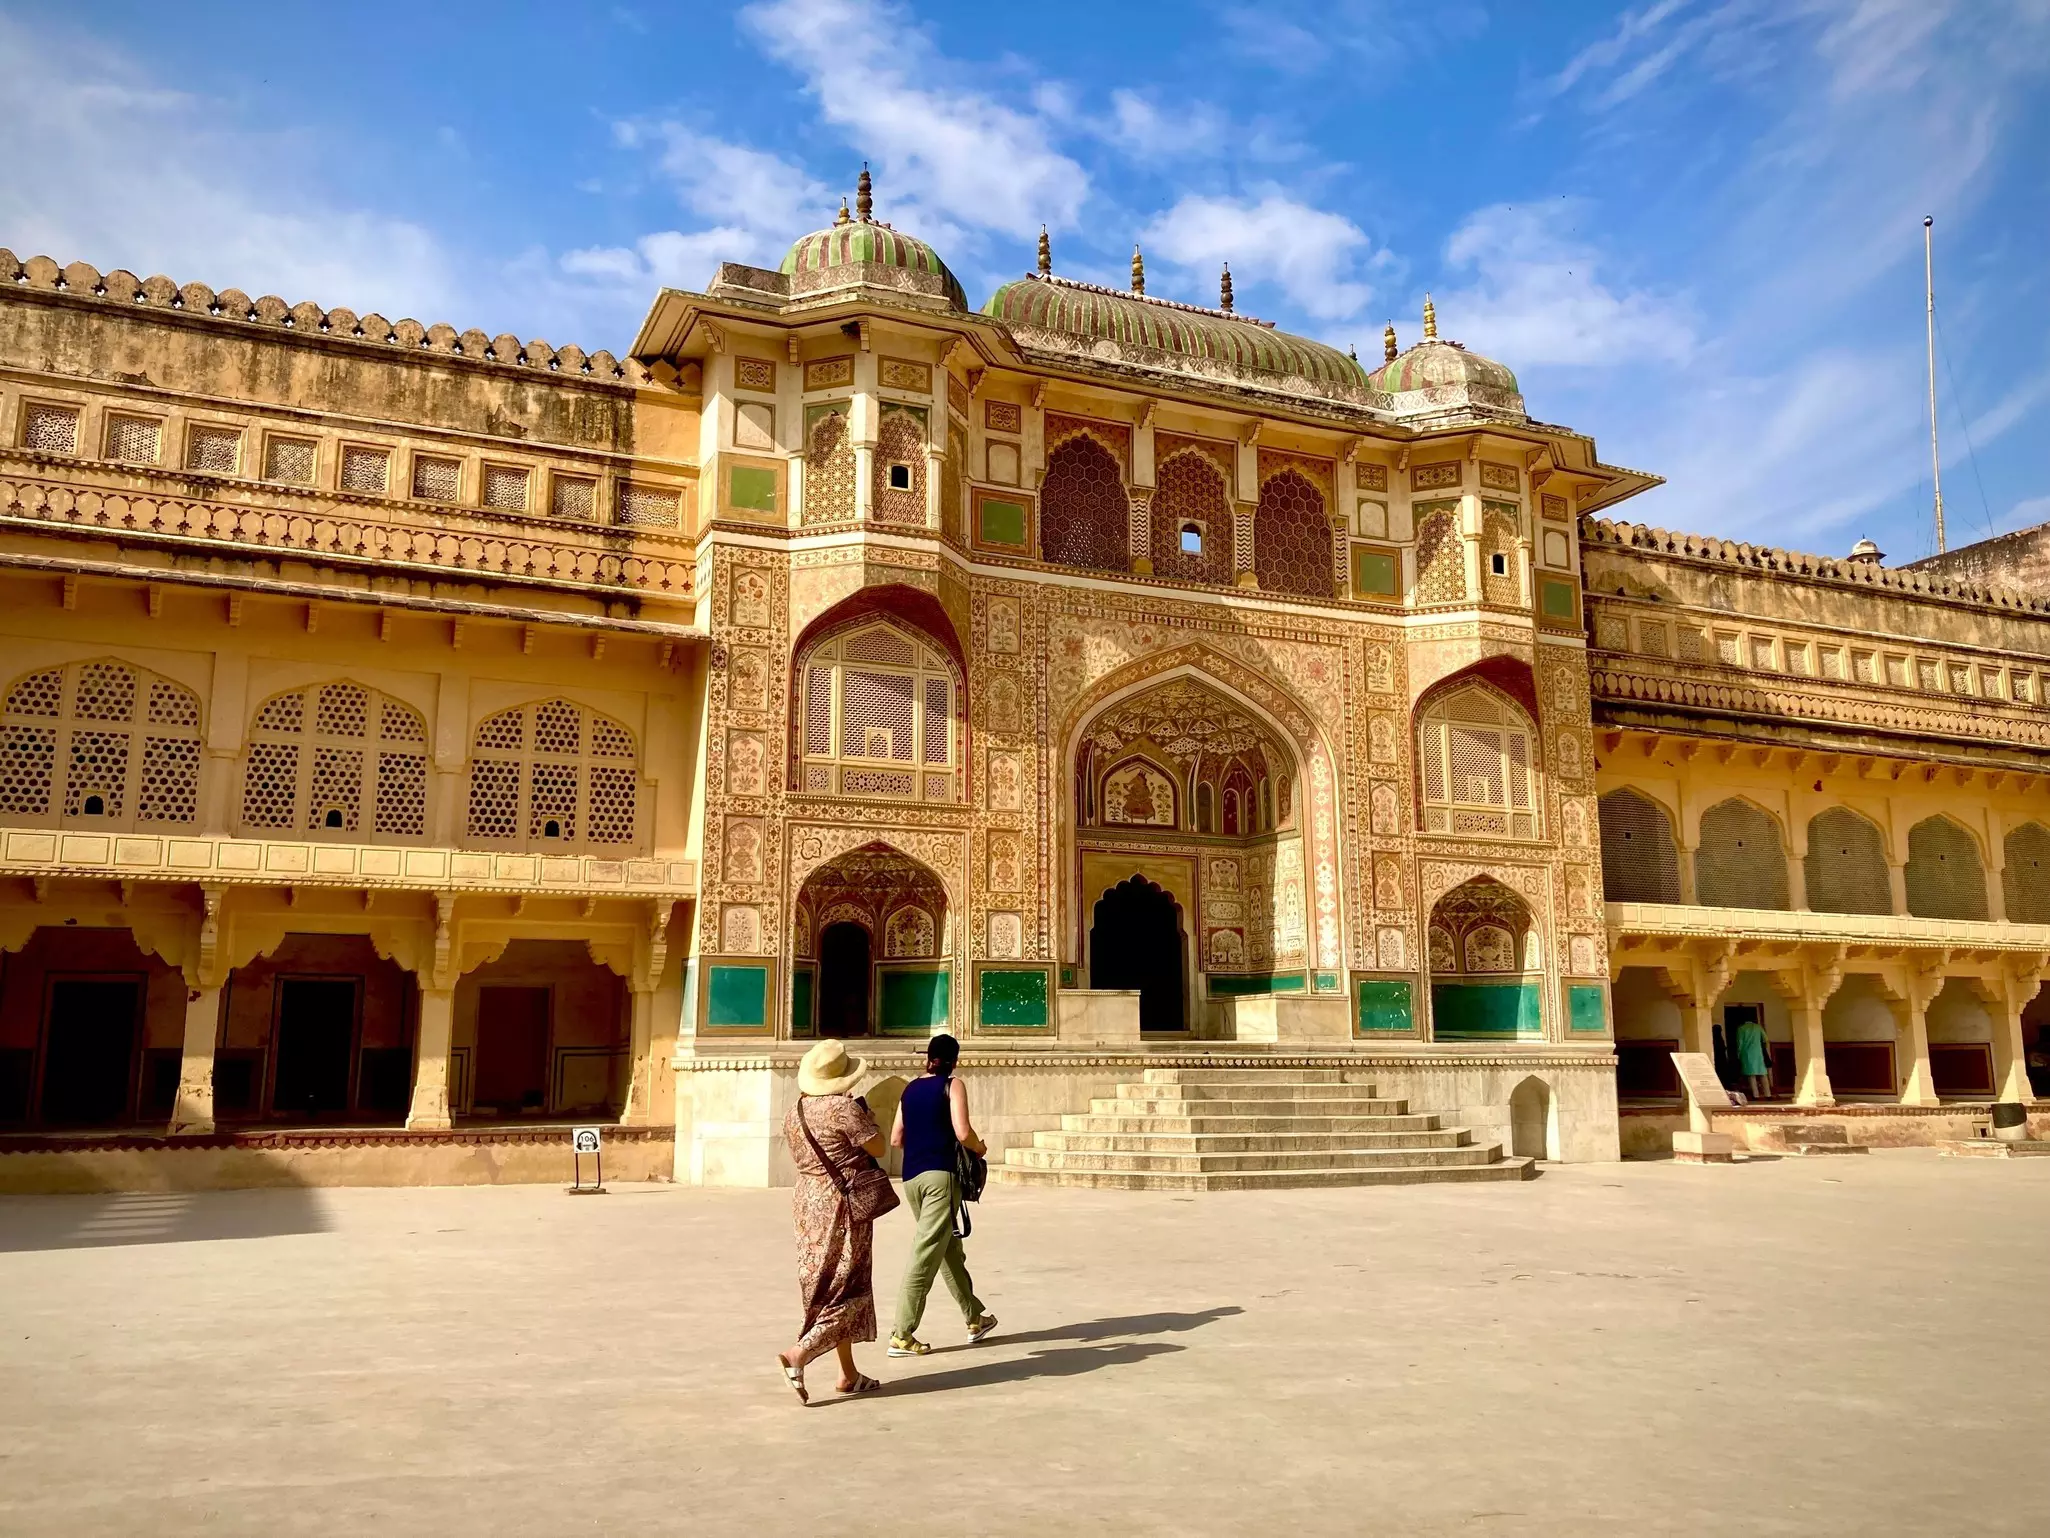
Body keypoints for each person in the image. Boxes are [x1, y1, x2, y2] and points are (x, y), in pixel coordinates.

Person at [777, 1039, 889, 1404]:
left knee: (825, 1283)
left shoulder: (795, 1111)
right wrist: (868, 1118)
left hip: (808, 1202)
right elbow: (877, 1148)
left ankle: (848, 1373)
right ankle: (801, 1353)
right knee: (850, 1286)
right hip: (842, 1203)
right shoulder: (844, 1109)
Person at [887, 1032, 998, 1357]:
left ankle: (975, 1317)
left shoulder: (909, 1090)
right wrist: (979, 1148)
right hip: (940, 1178)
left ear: (927, 1057)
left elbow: (896, 1138)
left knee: (947, 1246)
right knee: (926, 1252)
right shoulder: (953, 1085)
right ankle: (902, 1333)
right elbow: (963, 1132)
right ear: (954, 1060)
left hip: (911, 1179)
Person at [1733, 1012, 1773, 1103]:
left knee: (1751, 1075)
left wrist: (1738, 1054)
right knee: (1763, 1074)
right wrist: (1764, 1048)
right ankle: (1768, 1094)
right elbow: (1766, 1039)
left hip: (1747, 1053)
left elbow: (1740, 1043)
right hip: (1758, 1053)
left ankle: (1756, 1095)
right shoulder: (1758, 1027)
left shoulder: (1741, 1029)